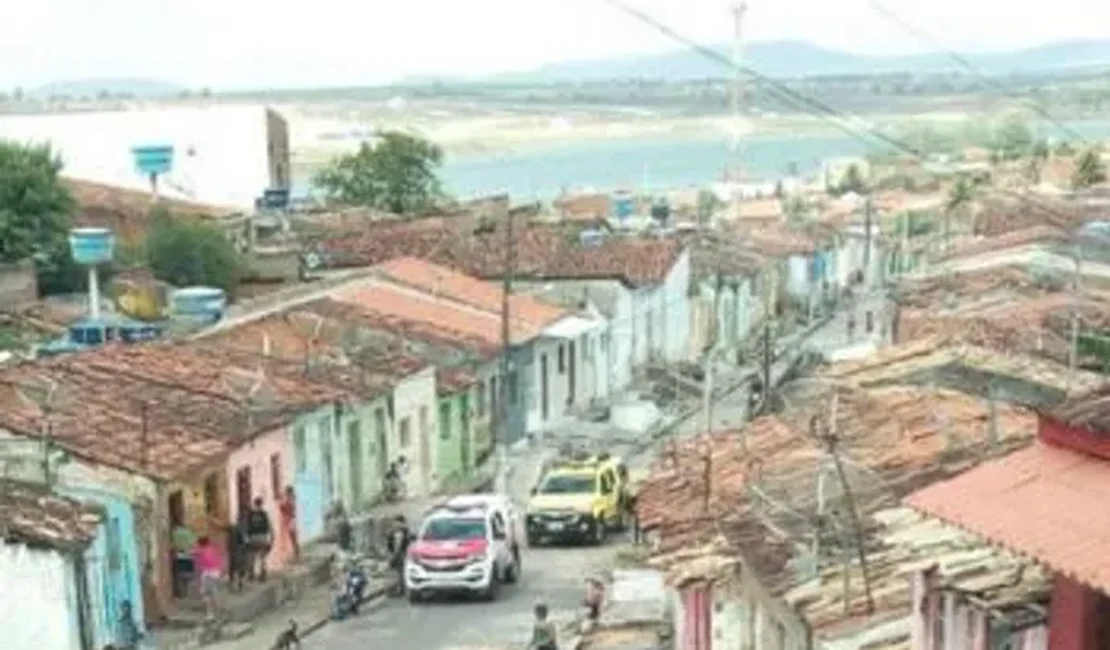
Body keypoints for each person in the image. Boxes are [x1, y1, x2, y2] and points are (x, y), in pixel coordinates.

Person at [193, 536, 225, 620]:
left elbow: (193, 552)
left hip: (208, 574)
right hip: (216, 572)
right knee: (214, 592)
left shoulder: (200, 550)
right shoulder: (213, 549)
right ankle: (217, 612)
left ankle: (211, 614)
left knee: (207, 594)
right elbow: (220, 559)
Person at [245, 497, 273, 582]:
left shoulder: (250, 514)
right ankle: (262, 575)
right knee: (263, 558)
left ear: (254, 503)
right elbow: (269, 527)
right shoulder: (264, 514)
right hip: (262, 537)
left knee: (251, 557)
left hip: (252, 537)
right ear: (261, 504)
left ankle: (251, 575)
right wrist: (271, 539)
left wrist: (246, 538)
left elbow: (247, 526)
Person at [170, 522, 196, 598]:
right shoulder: (190, 532)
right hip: (189, 554)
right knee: (189, 573)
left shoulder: (175, 533)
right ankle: (186, 591)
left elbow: (173, 544)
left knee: (179, 573)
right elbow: (193, 544)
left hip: (179, 554)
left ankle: (181, 594)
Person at [279, 486, 299, 563]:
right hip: (290, 520)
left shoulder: (290, 499)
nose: (286, 493)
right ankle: (296, 554)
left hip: (290, 520)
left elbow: (285, 508)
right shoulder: (291, 498)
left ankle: (295, 555)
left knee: (292, 538)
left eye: (287, 491)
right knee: (293, 538)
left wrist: (282, 501)